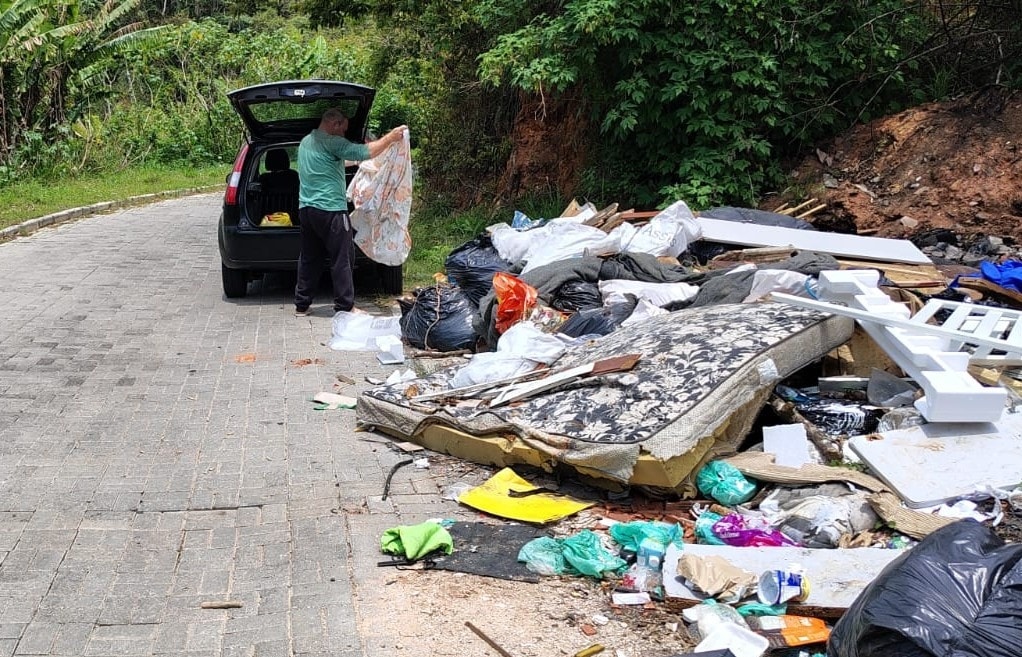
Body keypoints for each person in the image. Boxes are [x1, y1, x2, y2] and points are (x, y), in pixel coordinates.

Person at [294, 108, 406, 316]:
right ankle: (346, 306)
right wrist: (390, 138)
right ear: (334, 124)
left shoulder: (306, 142)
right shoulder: (332, 142)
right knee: (342, 257)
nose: (344, 134)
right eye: (343, 130)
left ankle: (302, 304)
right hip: (330, 210)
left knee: (309, 257)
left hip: (307, 210)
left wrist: (358, 162)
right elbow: (365, 152)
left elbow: (335, 159)